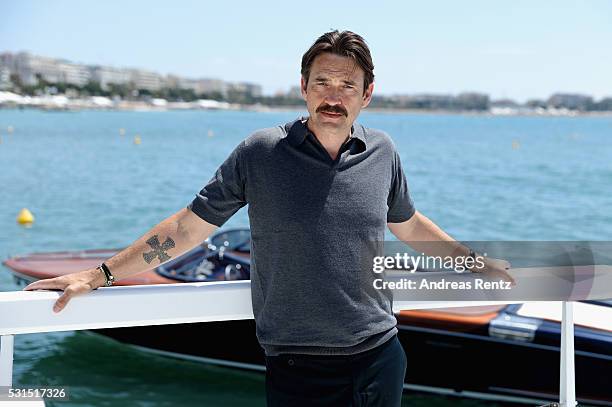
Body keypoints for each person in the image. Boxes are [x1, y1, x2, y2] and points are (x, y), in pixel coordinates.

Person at [25, 30, 514, 406]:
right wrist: (100, 274)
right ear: (303, 86)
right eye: (322, 81)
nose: (333, 94)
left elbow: (409, 225)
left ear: (367, 95)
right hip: (296, 365)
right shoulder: (261, 152)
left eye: (347, 85)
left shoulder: (382, 151)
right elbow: (188, 227)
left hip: (380, 355)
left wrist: (476, 266)